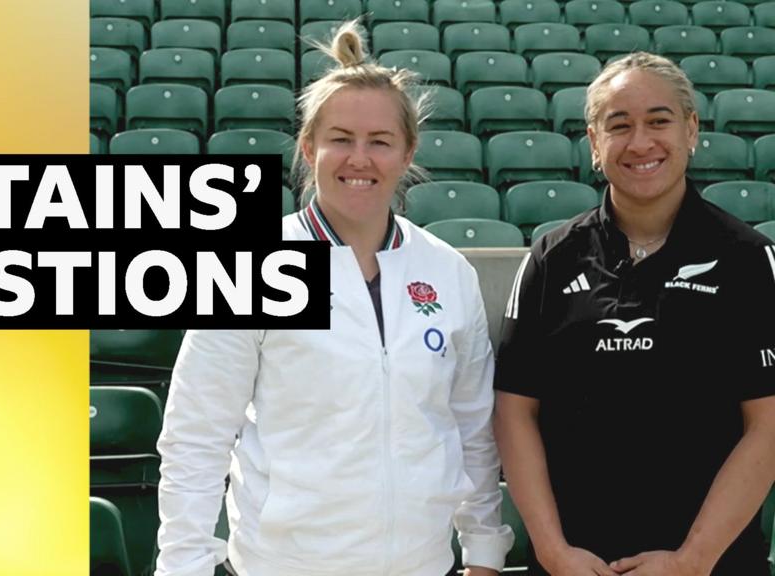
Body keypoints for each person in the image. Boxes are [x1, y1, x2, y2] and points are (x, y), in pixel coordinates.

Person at [154, 19, 513, 576]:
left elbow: (471, 429)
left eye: (380, 142)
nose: (359, 159)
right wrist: (183, 564)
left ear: (408, 151)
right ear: (308, 147)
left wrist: (484, 548)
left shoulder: (448, 272)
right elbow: (195, 435)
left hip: (423, 566)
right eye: (340, 140)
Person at [493, 51, 775, 576]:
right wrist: (554, 552)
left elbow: (768, 424)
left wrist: (693, 559)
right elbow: (514, 411)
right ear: (594, 143)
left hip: (712, 565)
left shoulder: (746, 258)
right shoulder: (551, 258)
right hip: (574, 565)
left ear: (692, 129)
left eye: (659, 121)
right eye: (619, 125)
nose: (641, 143)